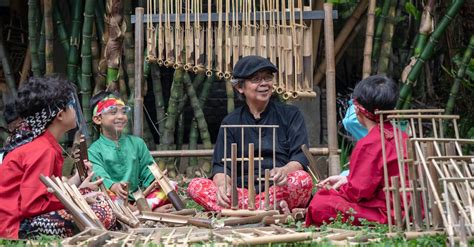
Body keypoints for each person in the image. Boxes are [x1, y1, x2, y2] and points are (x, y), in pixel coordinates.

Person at [187, 55, 313, 211]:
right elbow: (221, 166)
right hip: (242, 192)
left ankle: (247, 210)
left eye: (268, 78)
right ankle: (266, 208)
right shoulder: (230, 122)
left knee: (302, 180)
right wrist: (223, 186)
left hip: (278, 189)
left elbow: (300, 157)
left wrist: (284, 171)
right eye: (256, 79)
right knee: (196, 186)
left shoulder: (291, 115)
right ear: (240, 87)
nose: (264, 84)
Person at [0, 76, 115, 239]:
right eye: (72, 106)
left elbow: (46, 191)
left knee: (94, 198)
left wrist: (77, 182)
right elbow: (34, 205)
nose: (75, 110)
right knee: (100, 210)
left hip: (19, 220)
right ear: (60, 115)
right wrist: (77, 198)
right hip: (15, 227)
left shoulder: (44, 145)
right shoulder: (42, 150)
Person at [306, 75, 407, 226]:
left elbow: (359, 192)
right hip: (408, 208)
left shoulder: (369, 143)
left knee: (321, 202)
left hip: (387, 212)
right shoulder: (402, 136)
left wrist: (334, 190)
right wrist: (345, 180)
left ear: (358, 110)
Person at [88, 91, 174, 212]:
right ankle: (146, 211)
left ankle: (137, 210)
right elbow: (98, 177)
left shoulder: (137, 143)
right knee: (102, 197)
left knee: (170, 186)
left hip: (140, 196)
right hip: (114, 198)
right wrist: (114, 186)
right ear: (98, 119)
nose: (120, 116)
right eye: (113, 112)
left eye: (123, 112)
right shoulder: (93, 151)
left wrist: (156, 178)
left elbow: (148, 169)